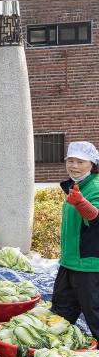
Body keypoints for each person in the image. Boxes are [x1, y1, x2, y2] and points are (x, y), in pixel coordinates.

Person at [50, 142, 99, 339]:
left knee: (95, 315)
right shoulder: (76, 186)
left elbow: (95, 218)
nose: (74, 166)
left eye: (80, 162)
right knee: (61, 313)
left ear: (93, 164)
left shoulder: (95, 187)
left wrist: (81, 203)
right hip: (70, 262)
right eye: (70, 160)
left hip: (88, 265)